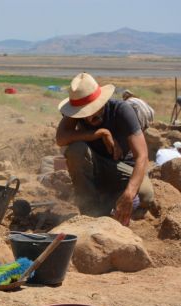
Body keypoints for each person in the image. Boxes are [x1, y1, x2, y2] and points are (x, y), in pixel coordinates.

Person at [56, 73, 154, 225]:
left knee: (145, 195)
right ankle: (90, 213)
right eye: (84, 113)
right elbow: (61, 139)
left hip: (121, 168)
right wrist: (100, 133)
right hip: (94, 168)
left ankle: (112, 201)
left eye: (90, 111)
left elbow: (142, 156)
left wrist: (129, 193)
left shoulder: (121, 110)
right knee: (75, 150)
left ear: (100, 102)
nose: (87, 118)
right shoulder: (76, 112)